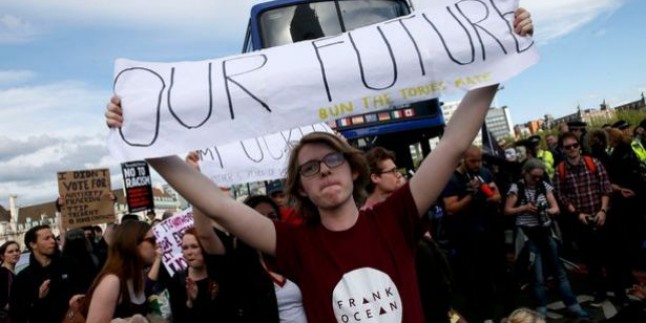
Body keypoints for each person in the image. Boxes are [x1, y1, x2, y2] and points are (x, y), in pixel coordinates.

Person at [105, 11, 533, 322]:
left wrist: (499, 59)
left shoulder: (396, 217)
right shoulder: (296, 244)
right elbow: (216, 208)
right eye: (309, 169)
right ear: (301, 189)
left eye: (331, 160)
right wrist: (144, 139)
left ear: (352, 171)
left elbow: (455, 142)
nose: (324, 171)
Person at [503, 159, 589, 319]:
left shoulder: (544, 185)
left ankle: (573, 306)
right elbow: (507, 210)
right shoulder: (517, 188)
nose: (537, 180)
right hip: (529, 235)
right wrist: (524, 208)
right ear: (525, 173)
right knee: (538, 276)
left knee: (559, 272)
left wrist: (547, 211)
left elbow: (556, 208)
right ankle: (541, 310)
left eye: (540, 177)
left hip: (546, 231)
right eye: (534, 177)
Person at [552, 132, 626, 307]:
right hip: (582, 221)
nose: (572, 149)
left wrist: (603, 211)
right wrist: (578, 214)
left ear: (579, 146)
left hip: (601, 216)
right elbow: (562, 196)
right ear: (562, 149)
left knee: (612, 258)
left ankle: (620, 294)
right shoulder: (560, 170)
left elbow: (606, 188)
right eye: (567, 146)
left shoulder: (594, 163)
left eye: (575, 145)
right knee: (592, 261)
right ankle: (599, 293)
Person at [441, 146, 503, 322]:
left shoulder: (484, 172)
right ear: (463, 160)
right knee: (473, 279)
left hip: (488, 231)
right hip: (465, 237)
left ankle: (496, 313)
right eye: (473, 161)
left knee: (494, 274)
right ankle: (480, 315)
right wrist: (470, 196)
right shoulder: (452, 178)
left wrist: (487, 195)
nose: (477, 165)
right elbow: (450, 208)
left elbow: (497, 196)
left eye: (479, 160)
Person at [9, 225, 88, 323]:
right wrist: (38, 298)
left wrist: (79, 298)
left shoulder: (70, 264)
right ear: (33, 244)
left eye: (53, 237)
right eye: (46, 238)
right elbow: (18, 315)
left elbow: (87, 290)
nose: (53, 241)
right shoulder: (22, 279)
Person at [84, 220, 157, 322]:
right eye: (152, 240)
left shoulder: (137, 276)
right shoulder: (111, 282)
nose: (157, 244)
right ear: (133, 243)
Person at [0, 241, 20, 321]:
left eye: (17, 250)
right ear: (2, 256)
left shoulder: (13, 273)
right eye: (10, 252)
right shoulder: (2, 273)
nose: (15, 253)